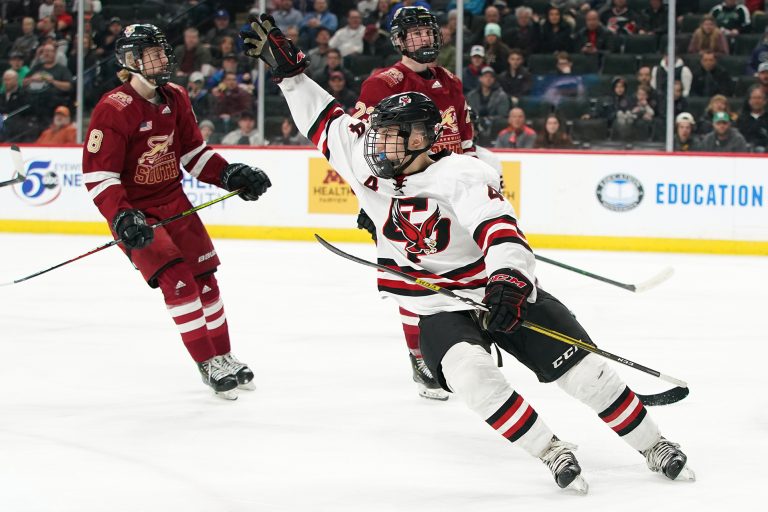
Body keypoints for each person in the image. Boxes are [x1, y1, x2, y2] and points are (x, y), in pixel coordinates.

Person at [241, 13, 696, 492]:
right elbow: (321, 113)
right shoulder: (364, 155)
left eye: (390, 134)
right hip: (438, 303)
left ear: (422, 139)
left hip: (491, 288)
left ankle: (654, 443)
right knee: (472, 379)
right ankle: (551, 449)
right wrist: (289, 75)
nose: (375, 140)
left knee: (586, 373)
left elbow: (500, 231)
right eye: (377, 131)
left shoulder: (463, 174)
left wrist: (510, 280)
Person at [81, 24, 271, 399]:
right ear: (130, 60)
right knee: (178, 281)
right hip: (138, 213)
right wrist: (122, 217)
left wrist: (230, 174)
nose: (162, 59)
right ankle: (207, 362)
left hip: (176, 204)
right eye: (152, 53)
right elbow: (99, 175)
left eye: (162, 52)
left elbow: (193, 154)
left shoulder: (177, 96)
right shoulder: (113, 108)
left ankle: (224, 355)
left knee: (206, 281)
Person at [352, 6, 476, 401]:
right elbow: (364, 149)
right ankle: (421, 359)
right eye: (415, 34)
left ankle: (462, 349)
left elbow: (466, 142)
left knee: (461, 275)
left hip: (450, 196)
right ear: (400, 41)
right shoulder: (382, 84)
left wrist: (475, 187)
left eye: (428, 32)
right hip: (406, 200)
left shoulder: (451, 81)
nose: (424, 39)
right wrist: (371, 203)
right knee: (416, 281)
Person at [736, 85, 768, 151]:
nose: (756, 101)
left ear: (765, 101)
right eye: (754, 98)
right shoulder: (741, 119)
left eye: (759, 98)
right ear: (749, 101)